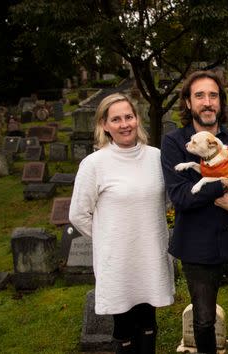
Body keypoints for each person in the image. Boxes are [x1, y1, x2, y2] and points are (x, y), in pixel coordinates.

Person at [160, 70, 228, 354]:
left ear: (220, 102)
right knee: (204, 322)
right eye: (199, 96)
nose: (207, 102)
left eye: (213, 95)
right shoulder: (174, 144)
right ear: (187, 103)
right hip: (197, 250)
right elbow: (182, 197)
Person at [69, 93, 175, 353]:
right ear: (104, 125)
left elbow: (166, 202)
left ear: (137, 119)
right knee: (125, 326)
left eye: (129, 117)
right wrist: (108, 240)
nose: (124, 124)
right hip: (118, 261)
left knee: (148, 320)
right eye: (116, 119)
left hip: (150, 254)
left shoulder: (156, 157)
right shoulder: (94, 164)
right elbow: (78, 214)